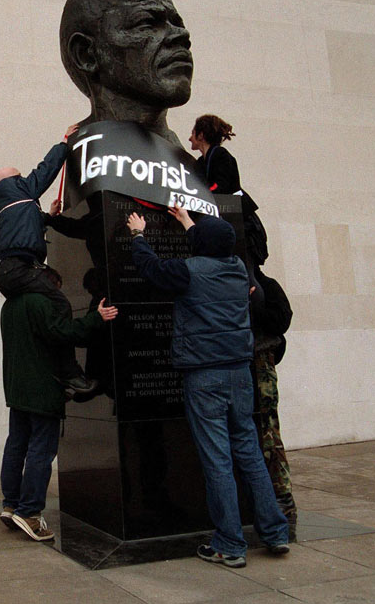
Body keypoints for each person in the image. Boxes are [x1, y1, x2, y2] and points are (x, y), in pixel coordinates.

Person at [125, 206, 288, 568]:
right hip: (239, 373)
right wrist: (186, 221)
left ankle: (230, 543)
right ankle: (275, 532)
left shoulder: (188, 272)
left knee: (217, 459)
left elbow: (152, 270)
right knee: (248, 452)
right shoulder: (237, 270)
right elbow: (208, 243)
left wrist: (138, 235)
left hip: (205, 376)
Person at [0, 267, 118, 541]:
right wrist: (95, 318)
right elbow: (63, 334)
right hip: (42, 388)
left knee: (16, 445)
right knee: (42, 449)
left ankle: (11, 504)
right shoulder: (40, 302)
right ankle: (29, 513)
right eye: (58, 288)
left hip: (18, 389)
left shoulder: (10, 305)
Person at [0, 123, 95, 397]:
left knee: (49, 295)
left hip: (11, 270)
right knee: (60, 304)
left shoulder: (9, 206)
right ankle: (69, 373)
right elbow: (45, 171)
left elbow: (24, 230)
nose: (24, 180)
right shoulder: (15, 190)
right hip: (17, 268)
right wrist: (64, 143)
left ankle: (56, 366)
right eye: (20, 178)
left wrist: (44, 214)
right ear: (13, 181)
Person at [60, 0, 193, 146]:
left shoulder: (187, 164)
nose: (182, 34)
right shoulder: (81, 149)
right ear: (86, 54)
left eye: (177, 24)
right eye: (146, 23)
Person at [250, 264, 297, 526]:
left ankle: (283, 496)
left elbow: (281, 320)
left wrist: (255, 306)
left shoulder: (266, 285)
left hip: (261, 365)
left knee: (268, 431)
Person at [188, 114, 268, 266]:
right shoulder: (202, 162)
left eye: (193, 133)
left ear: (201, 135)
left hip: (241, 223)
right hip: (228, 220)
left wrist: (198, 196)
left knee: (248, 273)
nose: (190, 138)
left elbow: (221, 186)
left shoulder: (221, 155)